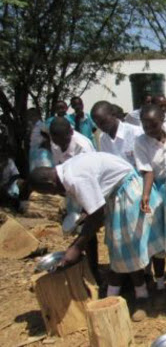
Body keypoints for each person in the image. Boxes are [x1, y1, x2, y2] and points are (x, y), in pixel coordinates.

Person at [29, 152, 165, 322]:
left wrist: (76, 247)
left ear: (49, 183)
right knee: (122, 249)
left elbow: (98, 214)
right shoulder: (66, 170)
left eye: (48, 192)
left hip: (128, 193)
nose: (53, 195)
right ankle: (133, 291)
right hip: (118, 194)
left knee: (127, 248)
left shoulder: (74, 178)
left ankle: (142, 297)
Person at [134, 104, 166, 295]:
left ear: (163, 121)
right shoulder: (141, 142)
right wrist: (146, 195)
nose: (148, 130)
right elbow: (148, 171)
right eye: (144, 126)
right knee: (157, 237)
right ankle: (159, 282)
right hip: (157, 191)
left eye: (153, 125)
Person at [49, 117, 99, 279]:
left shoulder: (82, 145)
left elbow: (92, 175)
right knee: (76, 228)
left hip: (89, 189)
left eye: (63, 141)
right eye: (57, 142)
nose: (60, 146)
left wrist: (87, 209)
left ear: (70, 133)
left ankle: (94, 270)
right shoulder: (56, 142)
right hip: (72, 191)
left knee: (88, 230)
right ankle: (82, 266)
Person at [92, 101, 143, 167]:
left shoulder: (136, 132)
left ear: (113, 115)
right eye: (97, 124)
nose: (101, 126)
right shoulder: (103, 139)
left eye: (103, 122)